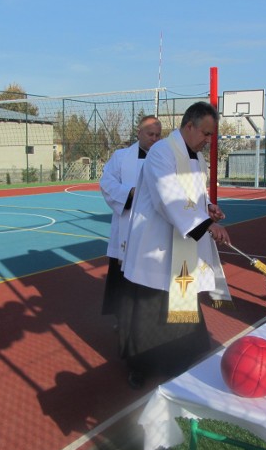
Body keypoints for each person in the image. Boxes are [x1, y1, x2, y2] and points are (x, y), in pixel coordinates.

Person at [118, 101, 232, 388]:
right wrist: (207, 225)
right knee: (149, 309)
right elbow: (169, 197)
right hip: (155, 245)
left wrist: (208, 208)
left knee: (181, 300)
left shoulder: (198, 158)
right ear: (189, 125)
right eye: (205, 134)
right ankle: (140, 367)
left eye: (211, 136)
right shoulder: (161, 152)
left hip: (182, 244)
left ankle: (178, 361)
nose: (208, 141)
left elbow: (193, 195)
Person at [99, 116, 162, 325]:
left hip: (153, 228)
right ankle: (122, 318)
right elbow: (106, 184)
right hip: (126, 228)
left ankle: (147, 318)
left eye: (157, 135)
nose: (154, 138)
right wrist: (130, 193)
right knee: (122, 277)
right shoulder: (121, 157)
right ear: (139, 132)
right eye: (150, 134)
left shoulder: (165, 158)